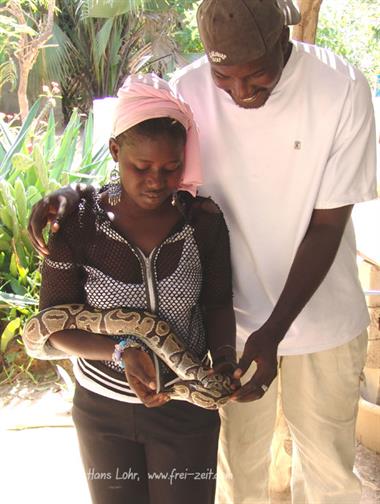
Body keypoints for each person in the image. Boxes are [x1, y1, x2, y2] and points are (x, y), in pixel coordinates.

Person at [28, 1, 378, 503]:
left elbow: (327, 226)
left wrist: (274, 331)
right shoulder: (186, 91)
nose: (240, 93)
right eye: (225, 77)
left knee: (328, 477)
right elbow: (140, 167)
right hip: (226, 333)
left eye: (257, 78)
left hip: (321, 321)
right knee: (240, 475)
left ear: (285, 40)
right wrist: (68, 198)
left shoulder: (341, 87)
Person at [24, 73, 237, 504]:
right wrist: (122, 349)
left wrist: (226, 362)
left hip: (186, 410)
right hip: (103, 411)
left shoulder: (203, 220)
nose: (156, 180)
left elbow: (217, 303)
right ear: (115, 151)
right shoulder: (77, 224)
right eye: (141, 168)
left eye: (171, 167)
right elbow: (53, 326)